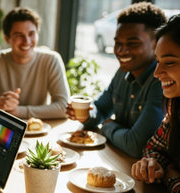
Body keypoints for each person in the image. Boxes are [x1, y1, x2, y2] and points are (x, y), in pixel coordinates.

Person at [66, 2, 166, 158]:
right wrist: (86, 115)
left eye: (132, 43)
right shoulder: (123, 71)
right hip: (117, 160)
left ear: (156, 44)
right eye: (117, 43)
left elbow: (136, 146)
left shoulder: (161, 81)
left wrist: (107, 126)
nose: (120, 51)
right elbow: (101, 109)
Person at [0, 7, 70, 119]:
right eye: (19, 35)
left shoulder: (51, 60)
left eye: (31, 33)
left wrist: (20, 111)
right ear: (7, 39)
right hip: (5, 129)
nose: (26, 41)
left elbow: (64, 107)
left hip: (40, 128)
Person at [131, 14, 180, 193]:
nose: (156, 73)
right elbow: (153, 147)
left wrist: (170, 176)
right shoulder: (175, 108)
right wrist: (152, 163)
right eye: (157, 61)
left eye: (169, 62)